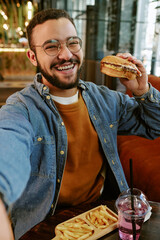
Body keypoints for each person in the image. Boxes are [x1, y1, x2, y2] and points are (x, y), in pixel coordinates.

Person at [0, 8, 160, 240]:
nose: (66, 55)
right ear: (33, 57)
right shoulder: (20, 108)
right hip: (47, 227)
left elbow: (154, 126)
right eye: (51, 46)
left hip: (104, 219)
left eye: (72, 43)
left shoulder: (106, 99)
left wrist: (143, 90)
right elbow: (7, 148)